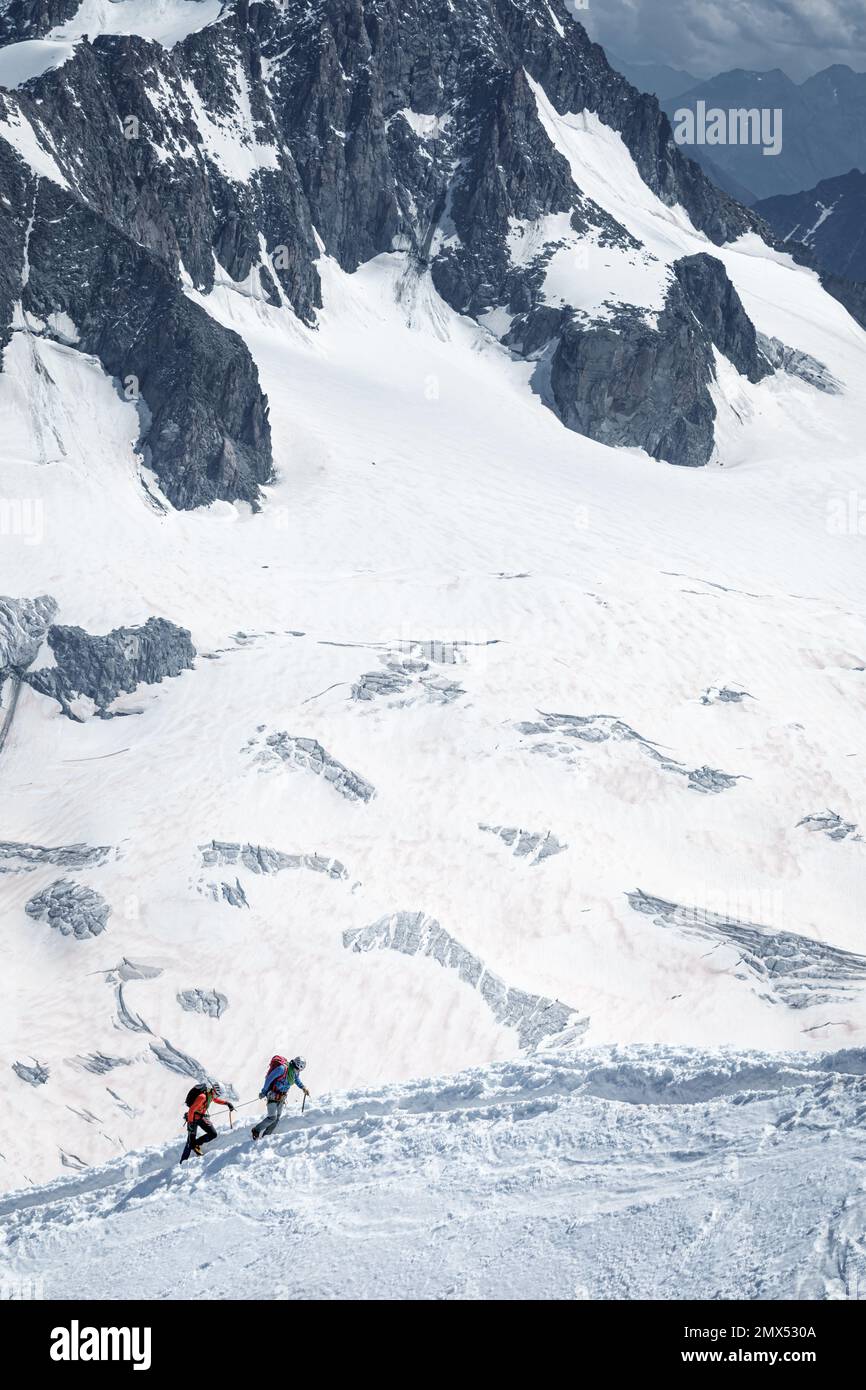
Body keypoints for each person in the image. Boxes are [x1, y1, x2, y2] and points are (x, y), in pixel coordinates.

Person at [251, 1054, 309, 1140]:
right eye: (299, 1068)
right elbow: (269, 1079)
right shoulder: (282, 1069)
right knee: (272, 1117)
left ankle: (265, 1137)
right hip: (272, 1095)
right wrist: (263, 1092)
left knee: (277, 1119)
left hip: (282, 1097)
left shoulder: (294, 1072)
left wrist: (303, 1087)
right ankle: (256, 1130)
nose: (299, 1070)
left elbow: (296, 1080)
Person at [180, 1082, 234, 1162]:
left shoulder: (211, 1095)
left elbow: (215, 1100)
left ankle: (196, 1144)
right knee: (189, 1142)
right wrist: (190, 1123)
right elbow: (191, 1110)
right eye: (217, 1094)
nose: (217, 1096)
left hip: (200, 1117)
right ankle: (183, 1162)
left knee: (213, 1134)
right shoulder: (202, 1097)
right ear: (214, 1090)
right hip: (193, 1118)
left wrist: (227, 1103)